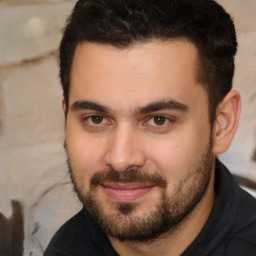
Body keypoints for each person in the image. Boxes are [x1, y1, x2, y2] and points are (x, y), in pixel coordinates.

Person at [44, 0, 256, 255]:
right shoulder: (65, 247)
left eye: (159, 120)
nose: (121, 159)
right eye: (96, 119)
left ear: (221, 125)